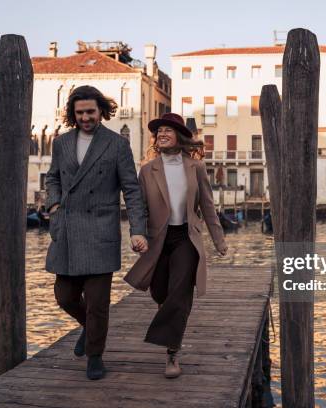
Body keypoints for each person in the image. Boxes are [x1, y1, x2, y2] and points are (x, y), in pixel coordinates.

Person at [44, 85, 148, 380]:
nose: (86, 117)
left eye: (91, 111)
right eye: (80, 113)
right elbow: (52, 178)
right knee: (64, 296)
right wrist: (53, 205)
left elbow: (132, 189)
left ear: (101, 111)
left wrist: (137, 230)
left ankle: (95, 356)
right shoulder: (61, 143)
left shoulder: (116, 144)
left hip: (100, 230)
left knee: (99, 303)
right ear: (72, 114)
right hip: (67, 228)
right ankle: (89, 328)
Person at [125, 112, 227, 378]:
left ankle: (172, 354)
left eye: (168, 130)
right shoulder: (147, 170)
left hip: (185, 238)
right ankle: (167, 320)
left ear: (180, 136)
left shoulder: (196, 167)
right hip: (157, 241)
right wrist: (137, 235)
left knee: (179, 294)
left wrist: (218, 239)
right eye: (159, 132)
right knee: (160, 293)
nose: (162, 134)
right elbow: (140, 208)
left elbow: (207, 205)